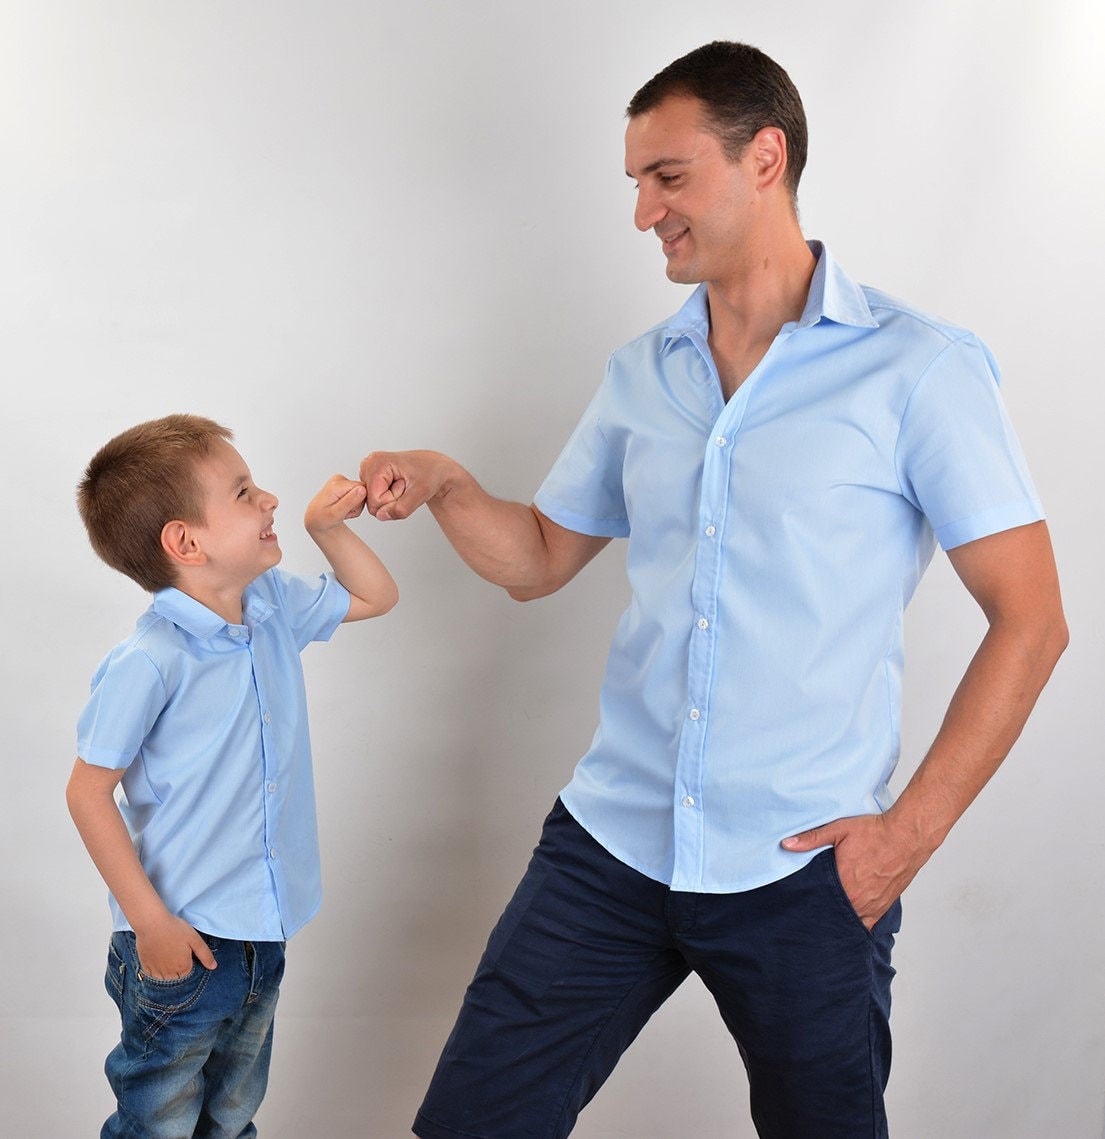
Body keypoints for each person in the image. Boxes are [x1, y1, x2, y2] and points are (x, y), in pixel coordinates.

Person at [360, 41, 1068, 1139]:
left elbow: (1031, 620)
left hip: (803, 867)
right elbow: (543, 555)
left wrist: (902, 837)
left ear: (765, 158)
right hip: (613, 841)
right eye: (635, 183)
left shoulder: (917, 369)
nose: (643, 211)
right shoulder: (643, 371)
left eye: (668, 176)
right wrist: (451, 485)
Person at [67, 413, 398, 1139]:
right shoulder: (151, 659)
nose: (270, 499)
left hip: (262, 932)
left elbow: (377, 595)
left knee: (232, 1112)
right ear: (186, 542)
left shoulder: (272, 605)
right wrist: (151, 923)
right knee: (158, 1121)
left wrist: (329, 530)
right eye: (244, 492)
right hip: (180, 943)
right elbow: (87, 791)